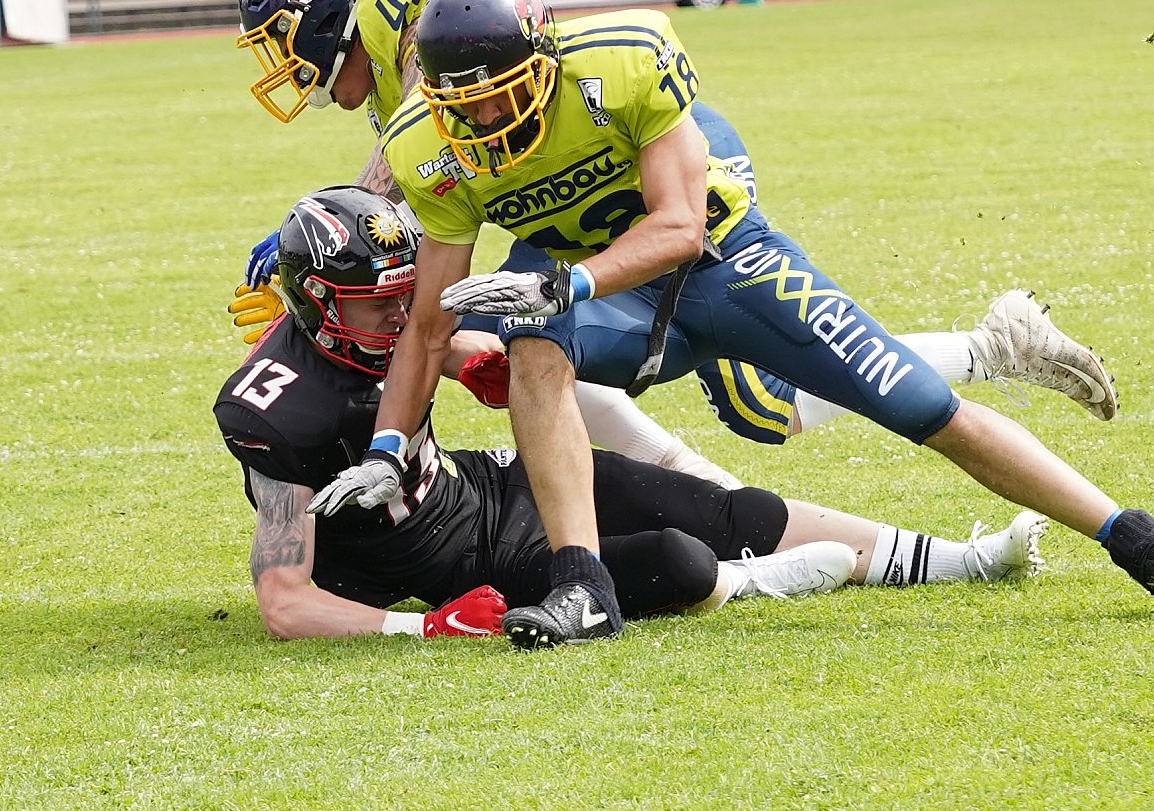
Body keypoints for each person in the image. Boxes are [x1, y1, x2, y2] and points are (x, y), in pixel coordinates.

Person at [316, 0, 1154, 649]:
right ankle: (583, 587)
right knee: (531, 349)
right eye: (464, 106)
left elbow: (680, 226)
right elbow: (431, 321)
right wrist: (391, 449)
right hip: (612, 299)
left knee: (922, 409)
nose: (485, 123)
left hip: (729, 264)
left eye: (500, 98)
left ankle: (1139, 538)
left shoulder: (623, 62)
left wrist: (566, 285)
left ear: (545, 63)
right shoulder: (430, 145)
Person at [230, 0, 1117, 489]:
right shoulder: (388, 62)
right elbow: (426, 161)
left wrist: (326, 227)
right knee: (532, 342)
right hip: (578, 198)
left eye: (282, 37)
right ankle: (698, 488)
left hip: (647, 165)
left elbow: (421, 145)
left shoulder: (411, 2)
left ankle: (991, 348)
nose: (282, 61)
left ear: (323, 11)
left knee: (757, 403)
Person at [217, 186, 1052, 644]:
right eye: (378, 305)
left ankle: (969, 560)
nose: (404, 318)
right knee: (678, 561)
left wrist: (479, 361)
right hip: (457, 563)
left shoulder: (391, 327)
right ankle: (755, 582)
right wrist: (424, 630)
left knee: (729, 510)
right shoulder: (278, 411)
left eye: (409, 297)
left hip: (486, 486)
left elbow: (439, 345)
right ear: (316, 301)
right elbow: (285, 602)